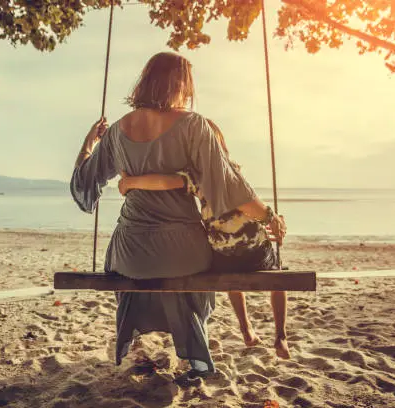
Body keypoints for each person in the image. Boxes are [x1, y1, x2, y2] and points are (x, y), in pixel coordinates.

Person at [70, 52, 285, 379]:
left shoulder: (116, 131)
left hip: (131, 250)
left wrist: (89, 143)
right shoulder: (194, 125)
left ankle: (138, 345)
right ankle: (190, 352)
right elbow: (229, 185)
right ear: (181, 84)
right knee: (191, 271)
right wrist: (270, 217)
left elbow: (84, 183)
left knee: (127, 271)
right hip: (183, 250)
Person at [117, 119, 291, 359]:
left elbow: (163, 182)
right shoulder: (230, 172)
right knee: (277, 275)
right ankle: (280, 335)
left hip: (223, 255)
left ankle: (247, 329)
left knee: (230, 276)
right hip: (254, 254)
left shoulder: (196, 177)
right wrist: (273, 218)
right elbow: (255, 210)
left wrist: (131, 182)